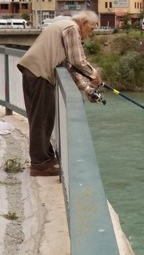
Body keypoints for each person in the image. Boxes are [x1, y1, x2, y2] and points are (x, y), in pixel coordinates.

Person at [16, 11, 102, 177]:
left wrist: (87, 89)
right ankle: (40, 165)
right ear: (83, 22)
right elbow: (78, 61)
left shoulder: (63, 26)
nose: (90, 34)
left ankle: (46, 158)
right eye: (90, 29)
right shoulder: (72, 28)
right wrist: (94, 76)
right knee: (41, 120)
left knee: (43, 118)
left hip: (33, 71)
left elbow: (70, 66)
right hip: (39, 73)